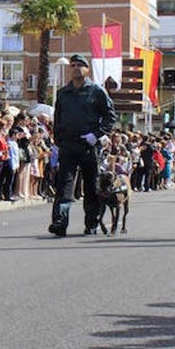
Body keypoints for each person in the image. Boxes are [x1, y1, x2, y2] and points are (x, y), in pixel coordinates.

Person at [48, 54, 117, 237]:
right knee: (64, 186)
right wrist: (58, 142)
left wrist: (97, 135)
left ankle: (91, 222)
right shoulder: (63, 93)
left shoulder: (97, 91)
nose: (76, 68)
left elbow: (110, 117)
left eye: (80, 65)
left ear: (87, 69)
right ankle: (60, 222)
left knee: (91, 187)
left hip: (89, 146)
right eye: (73, 65)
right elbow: (58, 119)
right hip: (68, 146)